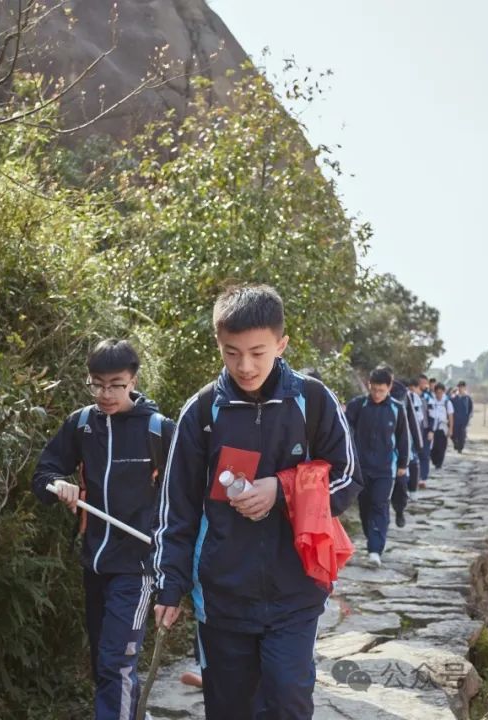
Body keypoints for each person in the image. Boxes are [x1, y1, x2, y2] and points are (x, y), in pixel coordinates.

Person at [152, 284, 360, 720]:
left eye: (257, 353)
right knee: (230, 710)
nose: (245, 366)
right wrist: (169, 584)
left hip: (296, 591)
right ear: (218, 344)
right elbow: (177, 508)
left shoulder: (312, 401)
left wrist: (281, 490)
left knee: (288, 701)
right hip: (222, 597)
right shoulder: (202, 412)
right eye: (232, 353)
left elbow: (348, 478)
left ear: (281, 345)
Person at [31, 340, 175, 720]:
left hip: (138, 566)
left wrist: (174, 560)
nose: (105, 394)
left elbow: (186, 496)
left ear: (133, 381)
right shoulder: (81, 425)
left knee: (116, 662)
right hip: (94, 564)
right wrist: (58, 485)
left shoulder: (158, 430)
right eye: (97, 384)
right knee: (104, 664)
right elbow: (42, 474)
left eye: (116, 385)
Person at [345, 366, 411, 567]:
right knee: (365, 507)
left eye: (381, 390)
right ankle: (372, 538)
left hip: (385, 469)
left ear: (389, 388)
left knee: (379, 505)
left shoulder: (397, 409)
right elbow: (344, 431)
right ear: (369, 385)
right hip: (361, 468)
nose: (377, 394)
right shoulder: (358, 406)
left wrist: (403, 464)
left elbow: (403, 438)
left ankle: (375, 550)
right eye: (374, 389)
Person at [387, 375, 423, 526]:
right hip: (380, 450)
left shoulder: (403, 396)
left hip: (401, 445)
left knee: (400, 483)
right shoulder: (368, 400)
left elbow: (412, 421)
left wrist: (418, 443)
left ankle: (399, 510)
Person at [409, 374, 433, 486]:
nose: (424, 385)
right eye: (422, 383)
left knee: (424, 454)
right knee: (414, 454)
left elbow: (432, 415)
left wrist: (431, 430)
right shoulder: (409, 397)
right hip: (413, 430)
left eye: (425, 383)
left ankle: (423, 478)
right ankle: (414, 478)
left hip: (425, 430)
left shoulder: (427, 398)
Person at [427, 382, 455, 470]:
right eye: (437, 393)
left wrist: (450, 429)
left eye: (440, 393)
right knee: (433, 448)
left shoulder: (447, 402)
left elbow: (450, 416)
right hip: (433, 428)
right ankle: (435, 461)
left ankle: (439, 464)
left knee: (441, 447)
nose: (439, 395)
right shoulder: (431, 401)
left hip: (442, 428)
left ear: (443, 392)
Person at [451, 381, 474, 453]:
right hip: (455, 419)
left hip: (463, 420)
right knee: (453, 434)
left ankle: (460, 448)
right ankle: (455, 443)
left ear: (465, 388)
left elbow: (470, 408)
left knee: (461, 434)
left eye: (462, 387)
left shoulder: (467, 398)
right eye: (459, 387)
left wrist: (468, 417)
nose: (460, 388)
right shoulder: (454, 397)